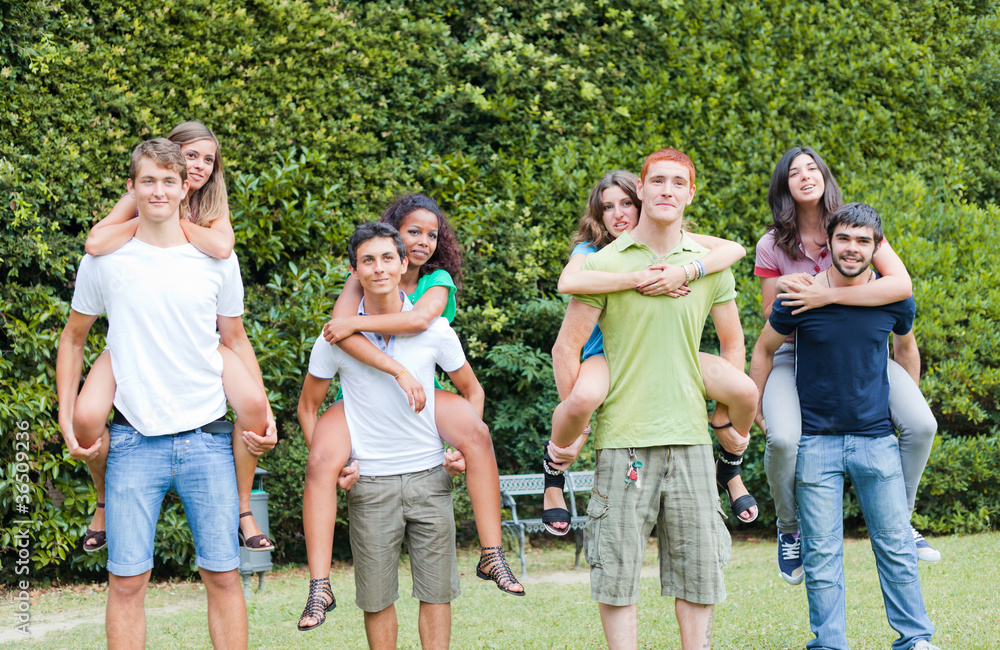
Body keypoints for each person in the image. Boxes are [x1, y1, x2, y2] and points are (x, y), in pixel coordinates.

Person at [56, 138, 273, 647]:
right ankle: (101, 505)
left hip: (207, 441)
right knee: (127, 583)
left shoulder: (216, 260)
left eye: (168, 181)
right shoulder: (105, 260)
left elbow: (235, 340)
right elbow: (73, 337)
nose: (158, 190)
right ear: (131, 188)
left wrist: (263, 413)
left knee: (223, 576)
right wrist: (66, 419)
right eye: (147, 180)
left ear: (184, 189)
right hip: (133, 441)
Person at [551, 149, 747, 649]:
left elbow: (732, 342)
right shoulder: (603, 264)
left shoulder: (705, 267)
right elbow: (568, 347)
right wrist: (579, 418)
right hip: (624, 441)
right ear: (641, 189)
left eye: (677, 182)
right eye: (656, 181)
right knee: (616, 572)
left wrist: (723, 409)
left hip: (690, 437)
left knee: (700, 569)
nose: (666, 190)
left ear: (689, 193)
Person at [297, 194, 521, 627]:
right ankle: (319, 586)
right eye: (368, 261)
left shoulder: (434, 297)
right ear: (355, 268)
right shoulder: (342, 319)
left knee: (478, 435)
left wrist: (457, 450)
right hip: (369, 419)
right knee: (321, 460)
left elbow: (453, 365)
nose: (379, 267)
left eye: (388, 259)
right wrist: (343, 462)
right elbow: (313, 393)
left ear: (402, 263)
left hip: (429, 401)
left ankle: (492, 552)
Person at [750, 203, 939, 650]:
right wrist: (754, 408)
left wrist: (901, 398)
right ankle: (829, 644)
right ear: (829, 243)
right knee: (822, 557)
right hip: (816, 443)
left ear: (876, 248)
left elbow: (905, 347)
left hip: (877, 442)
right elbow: (763, 350)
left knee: (895, 549)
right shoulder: (797, 298)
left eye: (863, 241)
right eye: (844, 239)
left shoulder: (893, 299)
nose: (852, 249)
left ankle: (914, 639)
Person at [544, 170, 759, 535]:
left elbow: (736, 249)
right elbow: (568, 282)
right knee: (582, 400)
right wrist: (635, 278)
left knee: (745, 392)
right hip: (608, 355)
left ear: (643, 201)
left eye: (626, 203)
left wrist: (687, 270)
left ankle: (731, 467)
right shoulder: (593, 251)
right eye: (606, 208)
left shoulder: (678, 244)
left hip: (671, 351)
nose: (617, 214)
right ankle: (553, 473)